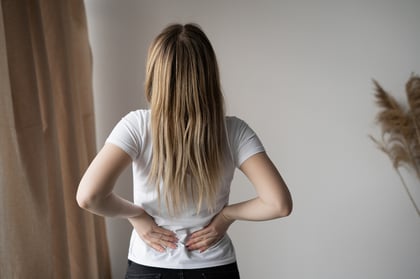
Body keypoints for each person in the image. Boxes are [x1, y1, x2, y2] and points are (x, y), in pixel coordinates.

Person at [76, 23, 292, 279]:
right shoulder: (234, 131)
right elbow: (278, 204)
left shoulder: (136, 126)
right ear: (209, 75)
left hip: (149, 267)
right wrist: (226, 216)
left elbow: (89, 197)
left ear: (155, 74)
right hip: (213, 267)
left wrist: (136, 215)